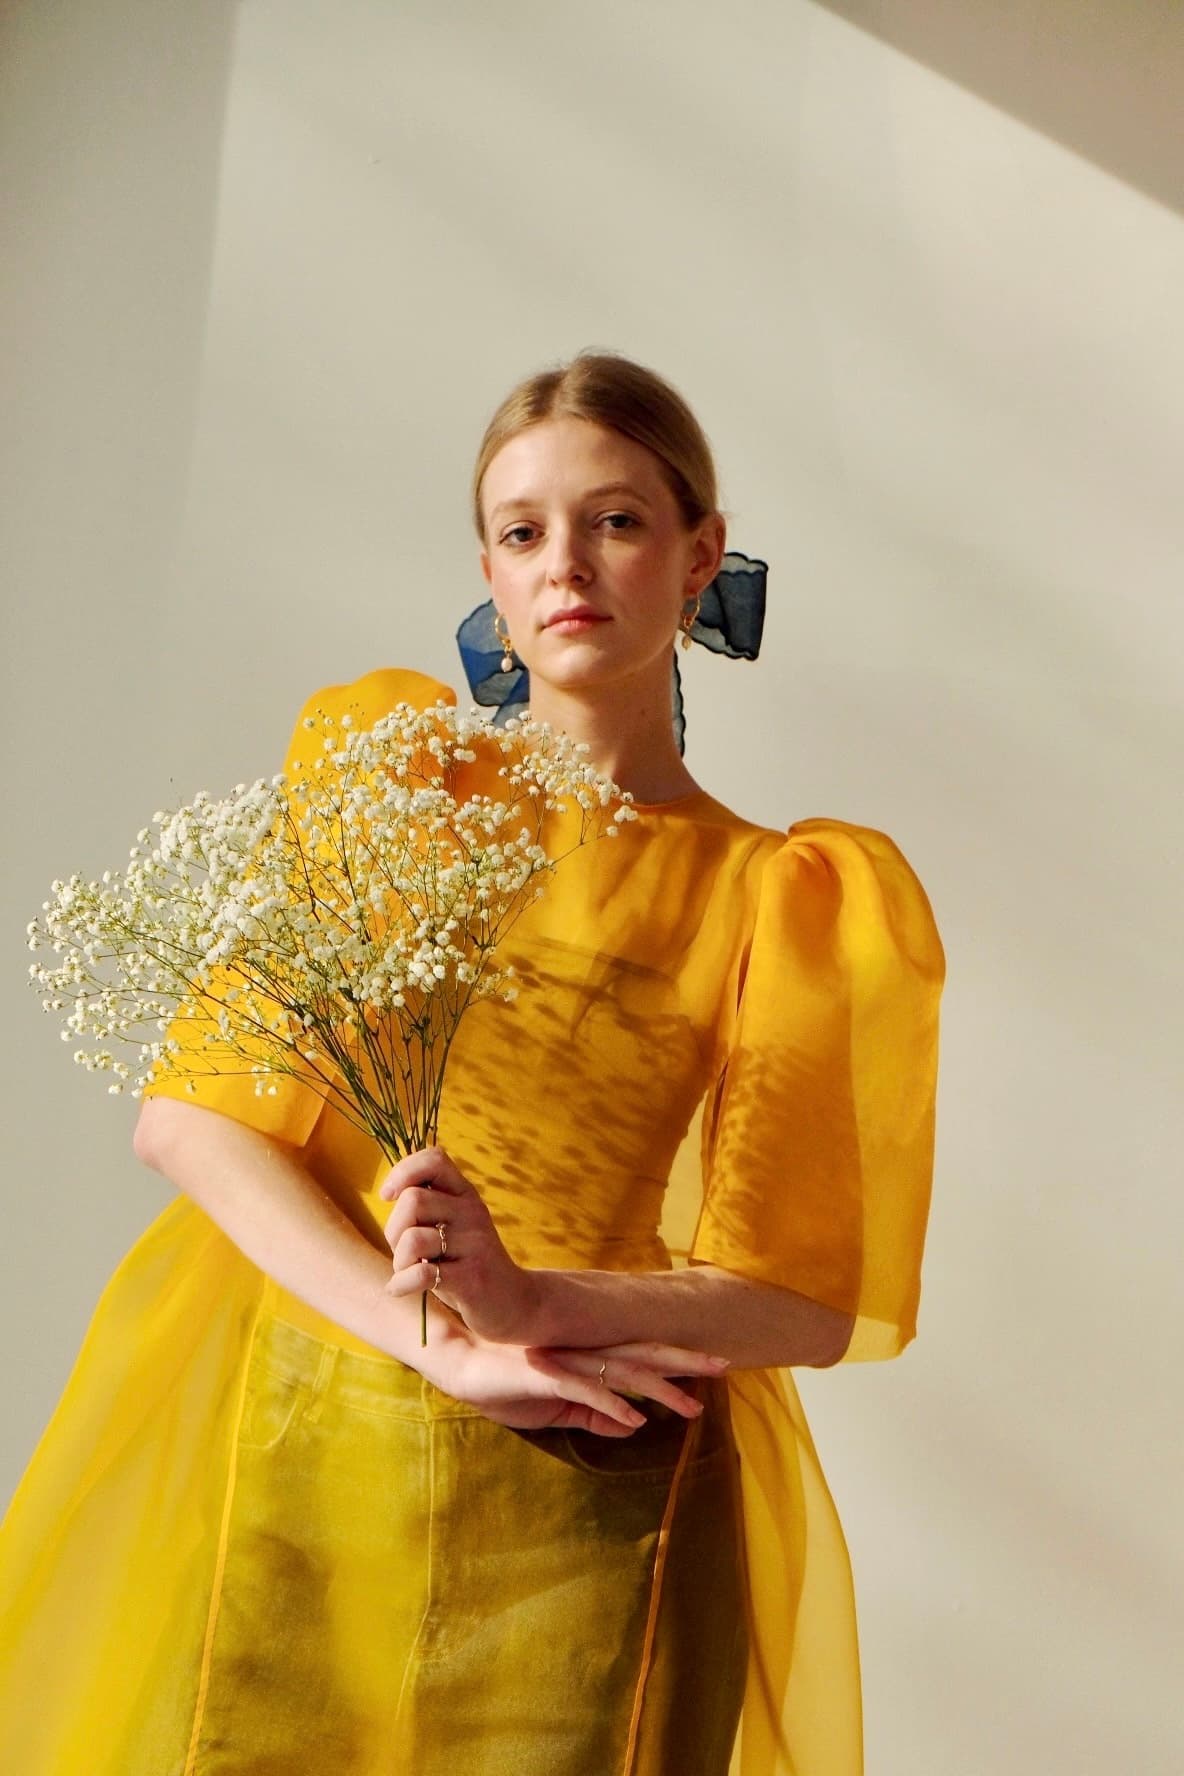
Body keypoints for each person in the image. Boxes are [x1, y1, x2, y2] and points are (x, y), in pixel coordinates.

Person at [0, 351, 944, 1775]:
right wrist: (440, 1344)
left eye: (617, 522)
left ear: (700, 558)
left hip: (604, 1484)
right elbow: (193, 1124)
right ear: (490, 577)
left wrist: (533, 1303)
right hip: (323, 1446)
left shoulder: (787, 892)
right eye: (523, 531)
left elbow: (804, 1298)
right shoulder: (398, 783)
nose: (567, 563)